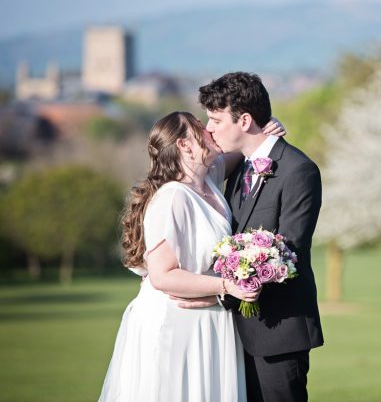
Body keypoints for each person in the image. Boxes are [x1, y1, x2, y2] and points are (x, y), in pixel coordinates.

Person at [98, 110, 284, 402]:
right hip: (176, 322)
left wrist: (267, 133)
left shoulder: (209, 178)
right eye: (201, 126)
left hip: (209, 322)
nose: (210, 130)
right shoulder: (172, 197)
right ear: (185, 145)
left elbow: (245, 146)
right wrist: (226, 286)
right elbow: (162, 276)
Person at [190, 71, 324, 402]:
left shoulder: (298, 170)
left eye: (216, 120)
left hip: (279, 331)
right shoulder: (237, 170)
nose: (209, 128)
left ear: (245, 120)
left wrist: (219, 292)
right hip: (234, 335)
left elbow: (288, 252)